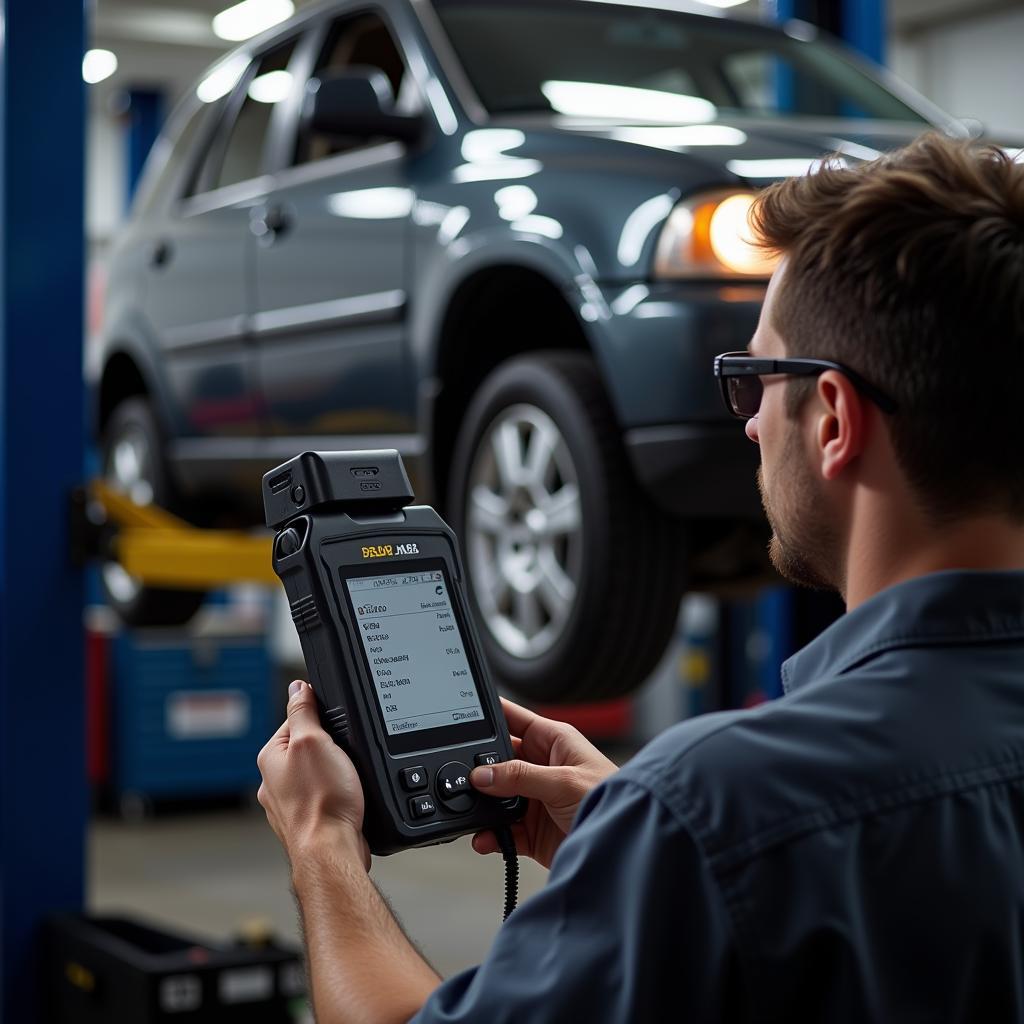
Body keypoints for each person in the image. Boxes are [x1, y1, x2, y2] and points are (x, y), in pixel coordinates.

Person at [257, 132, 1024, 1022]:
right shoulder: (714, 819)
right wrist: (646, 840)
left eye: (754, 380)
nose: (747, 426)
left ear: (834, 420)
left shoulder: (721, 805)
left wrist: (321, 844)